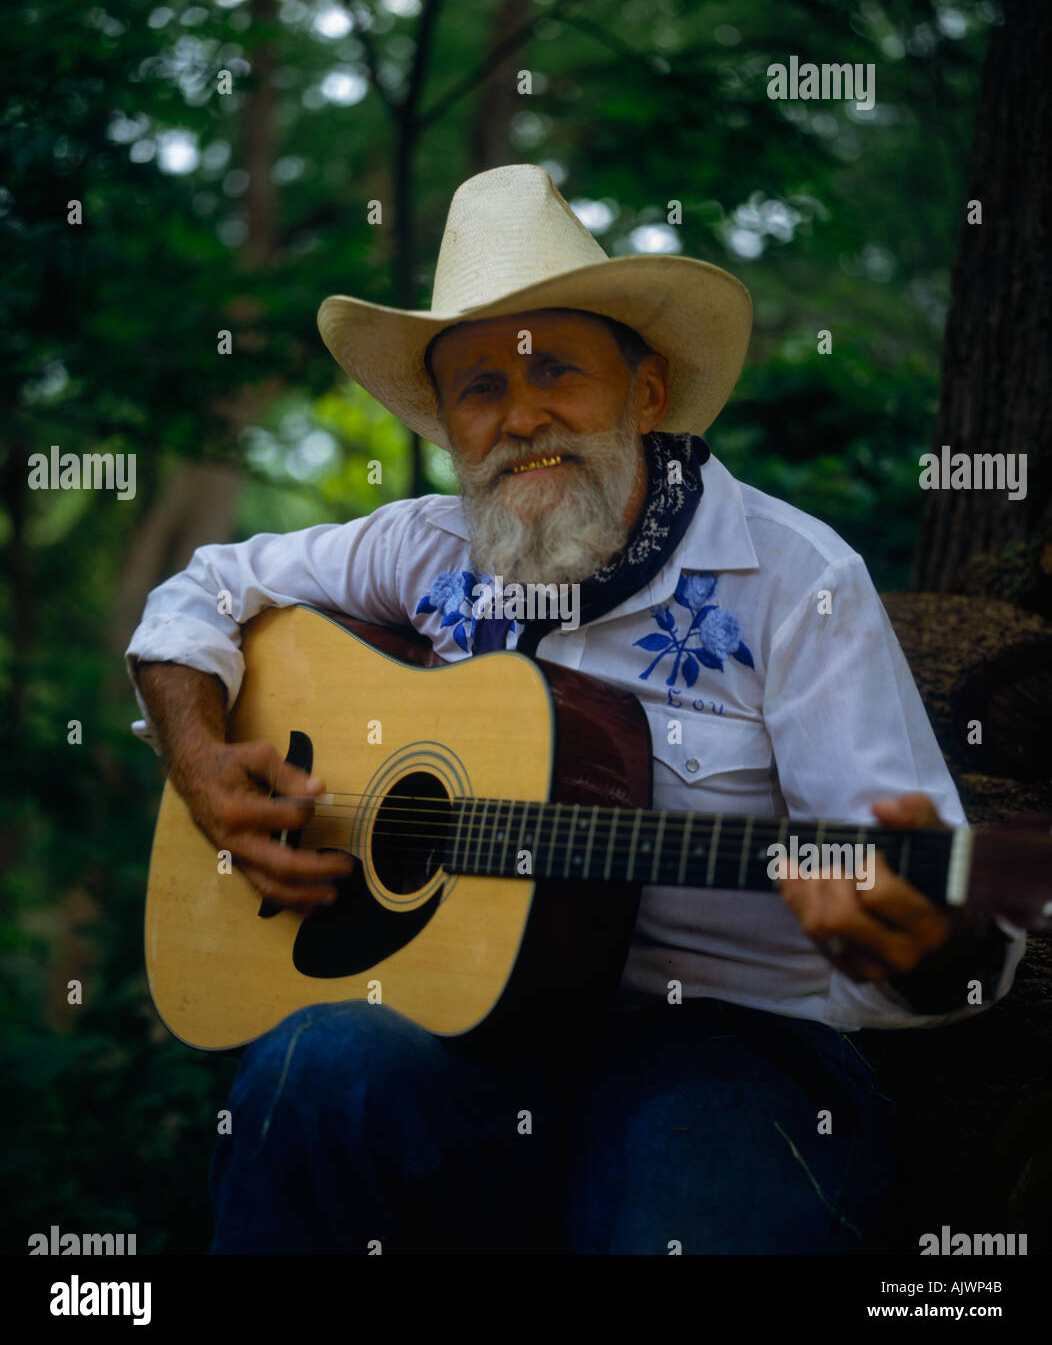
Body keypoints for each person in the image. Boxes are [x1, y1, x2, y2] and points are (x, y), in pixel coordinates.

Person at [127, 164, 1024, 1255]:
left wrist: (924, 936)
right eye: (479, 389)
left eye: (555, 370)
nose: (521, 415)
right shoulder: (422, 545)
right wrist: (202, 759)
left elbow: (943, 932)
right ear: (448, 424)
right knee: (311, 1068)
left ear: (644, 395)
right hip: (467, 1035)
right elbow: (203, 591)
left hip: (731, 1050)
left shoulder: (796, 580)